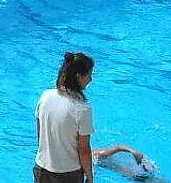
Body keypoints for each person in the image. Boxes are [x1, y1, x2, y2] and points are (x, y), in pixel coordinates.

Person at [35, 52, 96, 183]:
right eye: (89, 75)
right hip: (68, 174)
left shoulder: (45, 96)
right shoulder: (82, 109)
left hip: (42, 167)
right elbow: (84, 149)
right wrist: (90, 177)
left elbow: (40, 133)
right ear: (79, 77)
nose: (90, 79)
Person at [93, 145, 158, 181]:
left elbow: (118, 147)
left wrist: (133, 152)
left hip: (125, 171)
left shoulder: (96, 155)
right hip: (114, 169)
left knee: (140, 178)